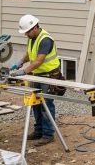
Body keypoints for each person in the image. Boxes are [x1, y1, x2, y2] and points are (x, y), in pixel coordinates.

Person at [9, 14, 63, 145]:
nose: (26, 34)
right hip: (37, 75)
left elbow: (39, 60)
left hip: (49, 76)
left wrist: (23, 71)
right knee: (35, 104)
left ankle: (48, 134)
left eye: (27, 32)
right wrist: (21, 61)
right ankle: (39, 130)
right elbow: (30, 53)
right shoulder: (33, 38)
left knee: (46, 105)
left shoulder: (45, 39)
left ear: (34, 28)